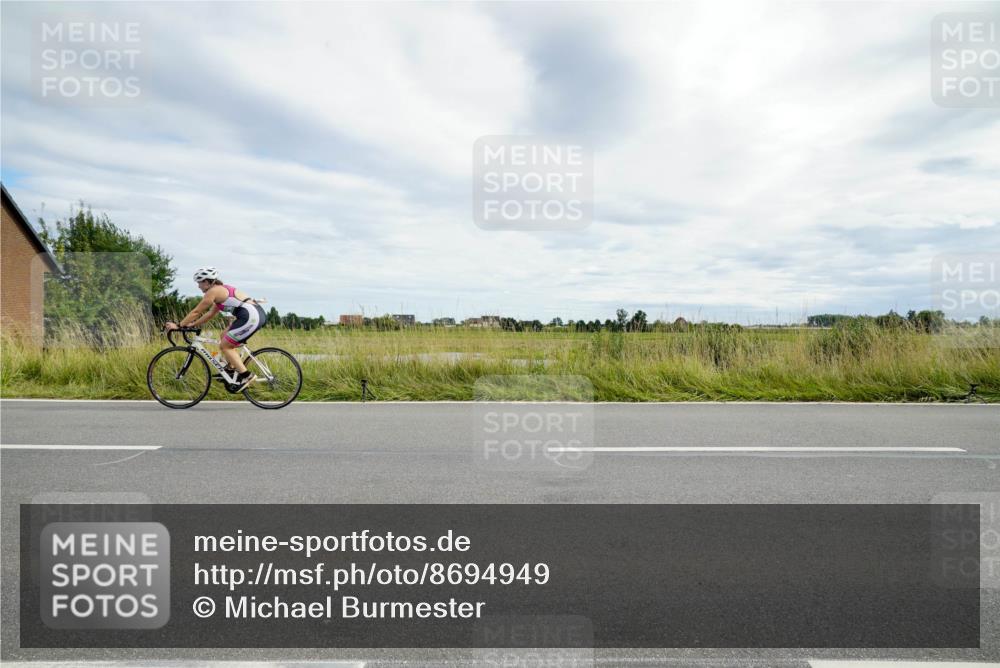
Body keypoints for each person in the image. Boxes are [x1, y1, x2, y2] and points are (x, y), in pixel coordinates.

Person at [165, 267, 267, 390]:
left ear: (207, 282)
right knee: (224, 335)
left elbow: (197, 311)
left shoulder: (213, 292)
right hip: (253, 314)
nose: (198, 286)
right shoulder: (221, 291)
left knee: (225, 346)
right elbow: (210, 314)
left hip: (250, 317)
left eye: (199, 283)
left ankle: (247, 376)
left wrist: (179, 325)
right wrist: (193, 324)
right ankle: (231, 368)